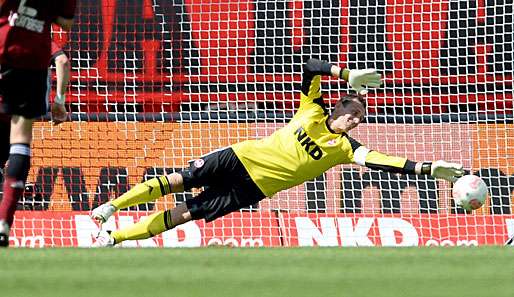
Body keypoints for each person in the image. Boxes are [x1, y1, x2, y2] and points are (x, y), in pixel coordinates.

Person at [91, 58, 464, 247]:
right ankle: (112, 208)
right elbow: (309, 67)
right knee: (180, 179)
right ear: (337, 107)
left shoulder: (345, 149)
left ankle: (115, 238)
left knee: (187, 212)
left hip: (253, 190)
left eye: (360, 117)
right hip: (240, 156)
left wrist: (428, 168)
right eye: (352, 109)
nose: (355, 118)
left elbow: (386, 162)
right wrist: (346, 74)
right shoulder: (312, 110)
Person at [0, 0, 76, 247]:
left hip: (3, 48)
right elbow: (65, 30)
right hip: (28, 65)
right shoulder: (43, 40)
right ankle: (3, 222)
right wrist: (60, 101)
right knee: (20, 141)